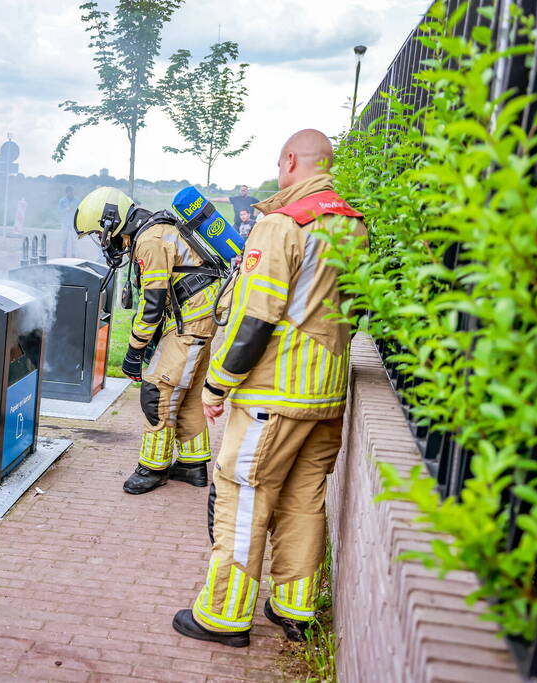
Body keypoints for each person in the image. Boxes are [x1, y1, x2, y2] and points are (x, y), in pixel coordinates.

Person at [171, 129, 367, 648]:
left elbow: (254, 318)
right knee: (304, 499)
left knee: (243, 494)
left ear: (290, 161)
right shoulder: (354, 225)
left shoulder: (283, 225)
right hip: (327, 398)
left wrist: (216, 385)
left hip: (274, 397)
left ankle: (223, 615)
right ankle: (294, 605)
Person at [73, 187, 223, 495]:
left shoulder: (150, 240)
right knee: (189, 393)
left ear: (110, 222)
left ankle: (153, 469)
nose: (102, 241)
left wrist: (134, 349)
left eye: (98, 233)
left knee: (157, 390)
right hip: (201, 315)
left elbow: (152, 304)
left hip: (192, 321)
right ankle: (193, 466)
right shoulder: (153, 229)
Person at [57, 186, 77, 257]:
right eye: (69, 192)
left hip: (74, 223)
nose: (70, 193)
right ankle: (63, 253)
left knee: (74, 239)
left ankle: (74, 254)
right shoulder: (62, 201)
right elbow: (59, 211)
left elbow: (80, 210)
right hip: (65, 222)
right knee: (64, 239)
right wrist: (66, 209)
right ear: (66, 193)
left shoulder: (77, 200)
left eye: (72, 191)